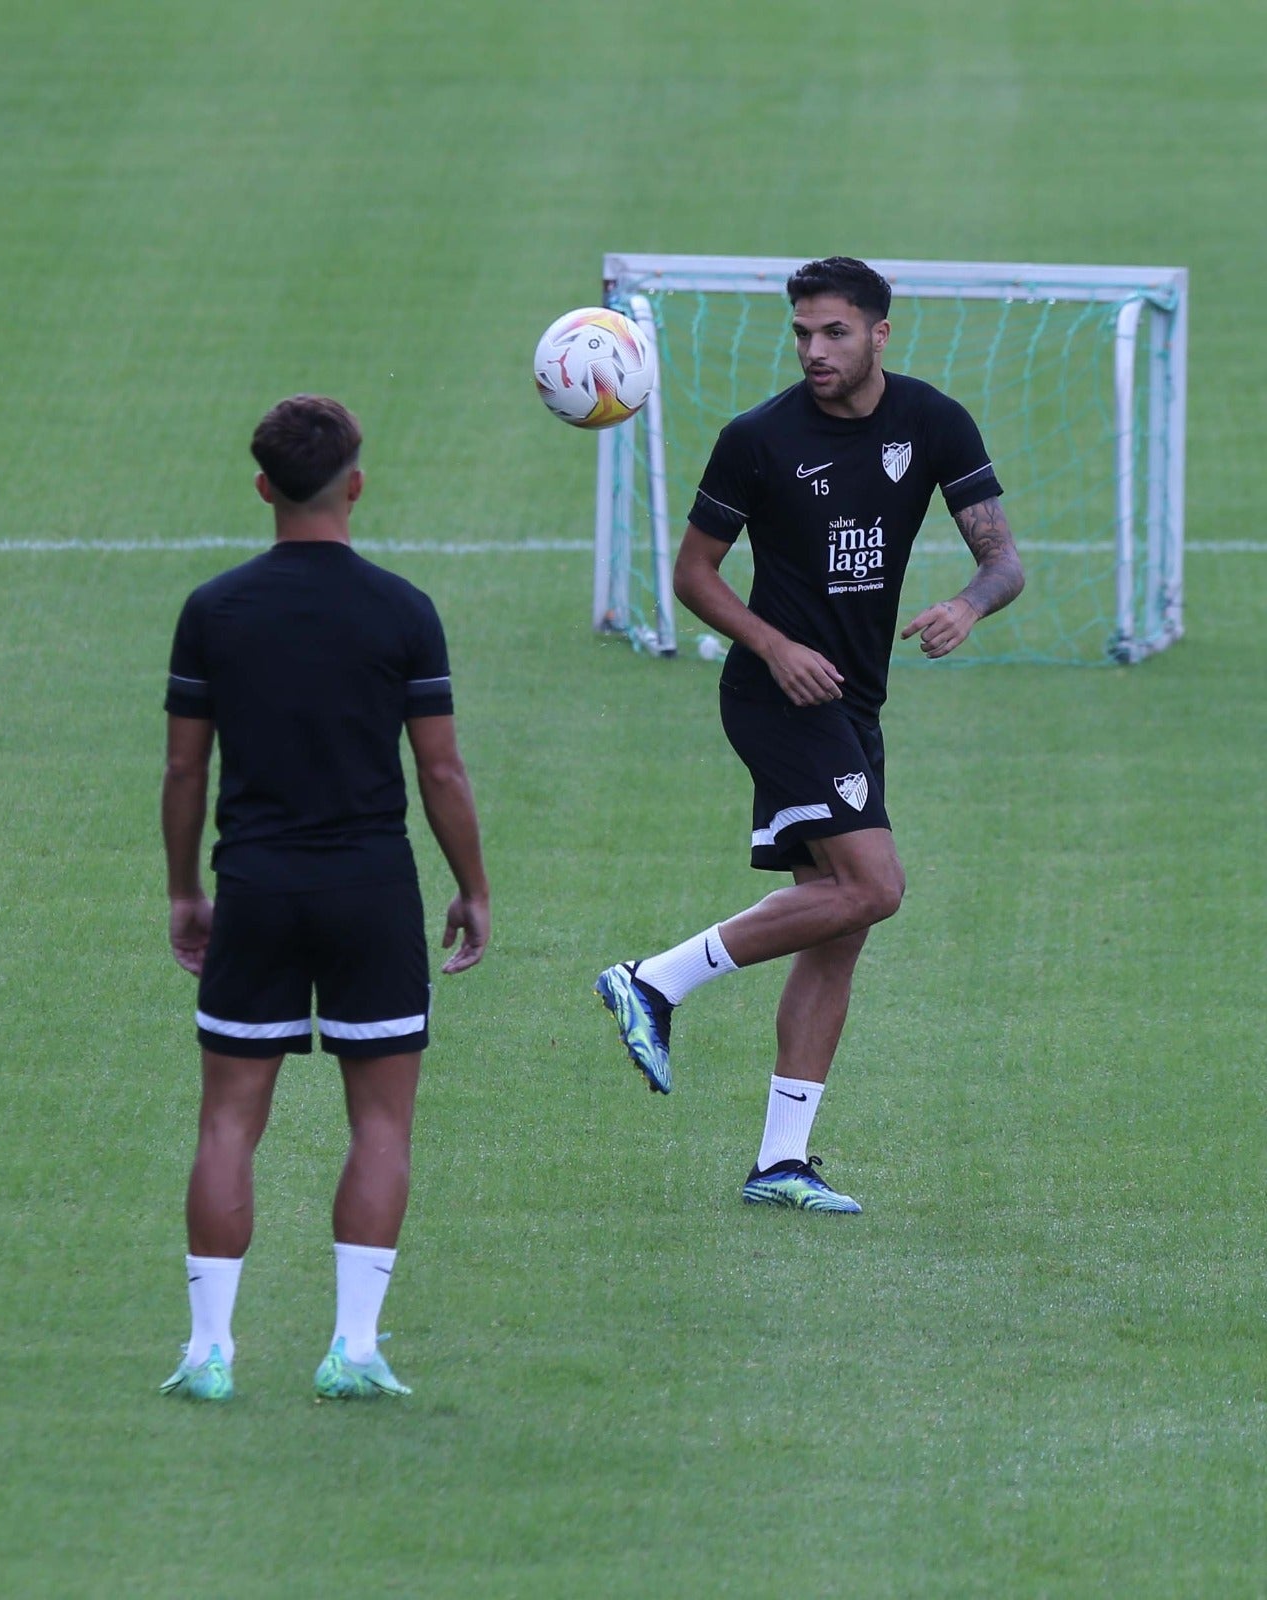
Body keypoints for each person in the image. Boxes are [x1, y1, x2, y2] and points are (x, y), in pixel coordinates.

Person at [596, 257, 1023, 1214]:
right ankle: (650, 981)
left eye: (832, 332)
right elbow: (694, 574)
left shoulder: (933, 423)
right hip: (775, 696)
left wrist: (966, 604)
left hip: (853, 701)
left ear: (879, 332)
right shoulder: (757, 439)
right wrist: (773, 643)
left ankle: (780, 1162)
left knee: (841, 922)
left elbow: (1002, 560)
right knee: (876, 886)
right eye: (801, 333)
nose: (813, 351)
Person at [159, 395, 490, 1401]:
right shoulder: (401, 610)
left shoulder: (214, 610)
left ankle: (209, 1350)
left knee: (228, 1120)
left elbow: (185, 772)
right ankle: (354, 1345)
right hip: (370, 890)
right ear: (355, 482)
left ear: (264, 486)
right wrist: (473, 885)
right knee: (381, 1122)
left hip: (255, 886)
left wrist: (184, 888)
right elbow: (441, 774)